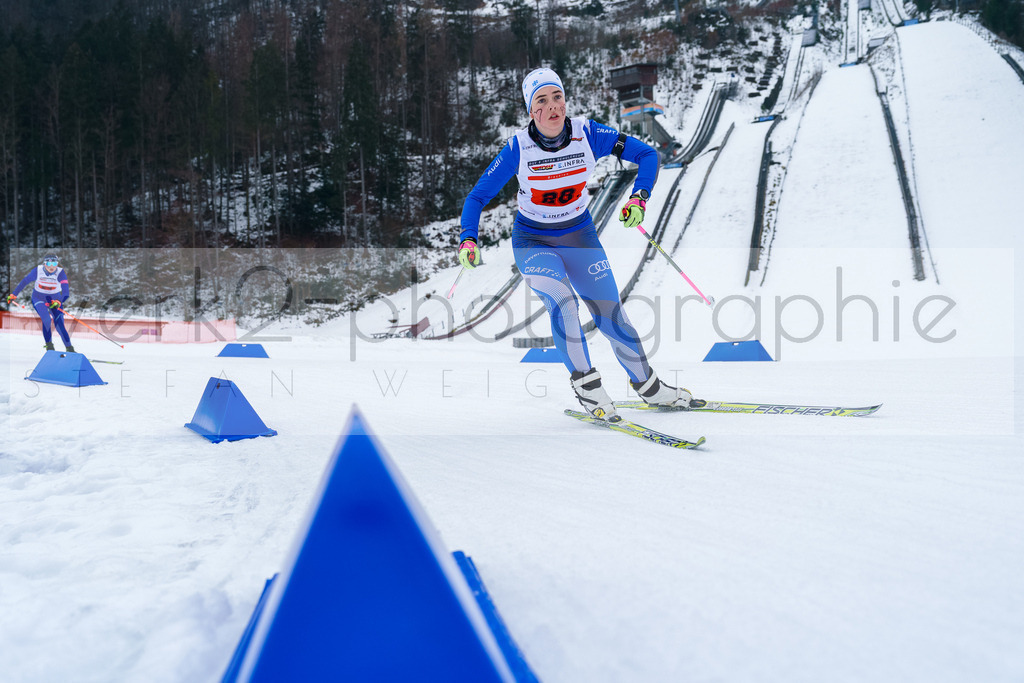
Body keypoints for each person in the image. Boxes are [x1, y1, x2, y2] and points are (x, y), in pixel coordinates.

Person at [457, 67, 692, 421]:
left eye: (557, 97)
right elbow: (477, 197)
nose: (553, 107)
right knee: (564, 302)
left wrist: (639, 198)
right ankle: (588, 386)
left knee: (611, 313)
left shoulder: (589, 133)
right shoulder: (517, 148)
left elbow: (647, 155)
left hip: (580, 235)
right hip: (533, 240)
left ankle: (649, 386)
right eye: (542, 100)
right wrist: (468, 239)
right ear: (530, 110)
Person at [6, 254, 75, 352]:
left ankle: (70, 348)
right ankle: (49, 347)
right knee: (46, 319)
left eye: (54, 263)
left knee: (59, 324)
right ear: (44, 263)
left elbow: (66, 292)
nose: (51, 266)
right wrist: (14, 294)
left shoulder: (60, 273)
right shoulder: (37, 271)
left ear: (57, 264)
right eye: (49, 263)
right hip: (39, 297)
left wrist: (59, 302)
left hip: (55, 299)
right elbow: (24, 282)